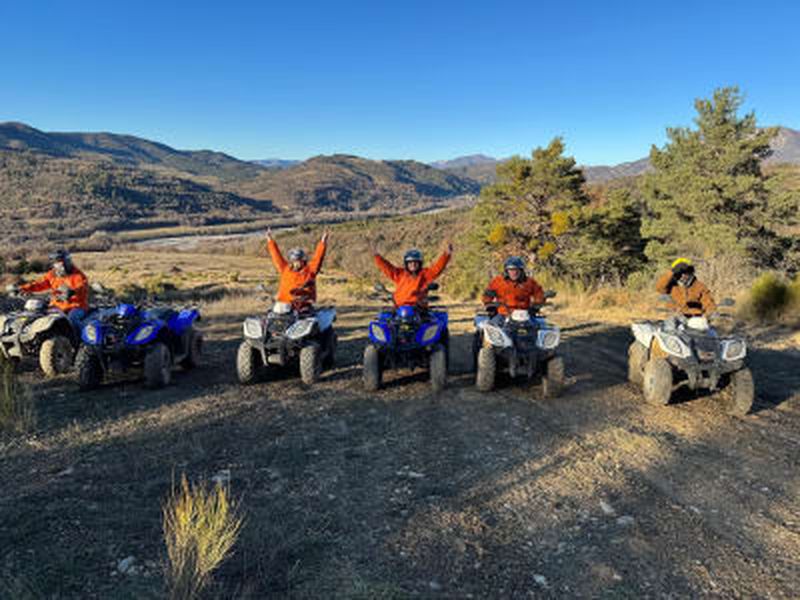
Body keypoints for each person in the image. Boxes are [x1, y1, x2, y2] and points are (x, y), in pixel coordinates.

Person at [372, 241, 453, 308]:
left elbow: (437, 269)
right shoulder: (400, 274)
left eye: (415, 262)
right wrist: (377, 256)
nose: (413, 264)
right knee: (383, 321)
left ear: (420, 263)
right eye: (410, 262)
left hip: (418, 309)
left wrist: (446, 255)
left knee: (429, 324)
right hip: (399, 308)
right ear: (406, 264)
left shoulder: (425, 274)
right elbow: (387, 268)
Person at [19, 250, 89, 323]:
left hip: (76, 307)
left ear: (68, 262)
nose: (61, 265)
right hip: (56, 306)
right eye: (57, 263)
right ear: (53, 264)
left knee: (72, 319)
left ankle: (75, 334)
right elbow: (39, 283)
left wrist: (73, 292)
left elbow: (82, 287)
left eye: (62, 262)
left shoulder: (78, 276)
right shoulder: (52, 274)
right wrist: (23, 288)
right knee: (39, 317)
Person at [266, 228, 329, 306]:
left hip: (304, 305)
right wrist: (270, 241)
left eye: (299, 260)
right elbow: (276, 256)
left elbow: (318, 257)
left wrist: (323, 242)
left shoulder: (310, 270)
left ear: (303, 260)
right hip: (285, 304)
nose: (296, 263)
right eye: (294, 261)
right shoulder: (285, 269)